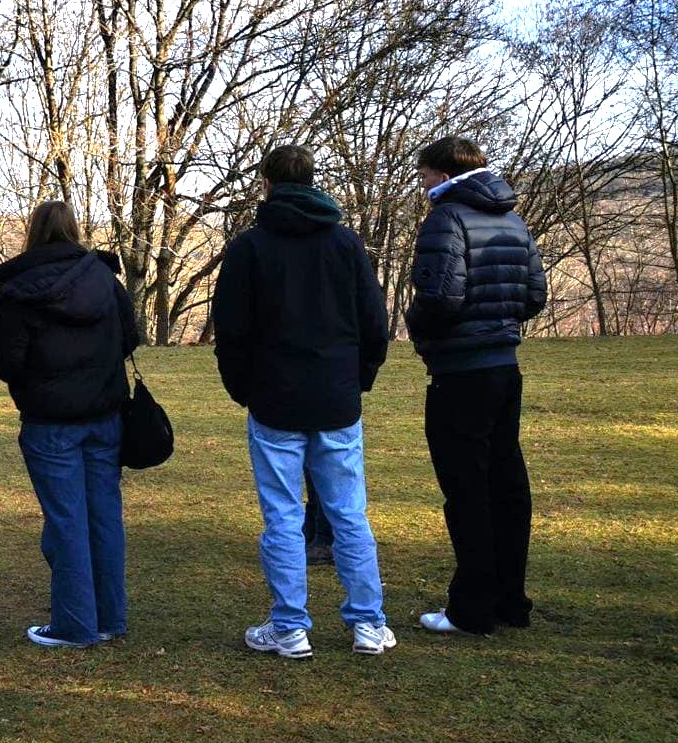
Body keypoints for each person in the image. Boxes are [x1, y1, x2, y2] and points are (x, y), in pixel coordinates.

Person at [212, 145, 393, 658]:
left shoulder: (250, 248)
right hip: (335, 397)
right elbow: (374, 324)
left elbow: (231, 331)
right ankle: (368, 623)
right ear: (312, 180)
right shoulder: (345, 244)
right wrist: (358, 378)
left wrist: (242, 387)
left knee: (283, 516)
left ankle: (290, 626)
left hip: (275, 399)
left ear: (266, 182)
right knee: (349, 513)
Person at [405, 136, 547, 636]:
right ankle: (512, 599)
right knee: (507, 484)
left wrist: (416, 325)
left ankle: (471, 608)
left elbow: (440, 296)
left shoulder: (447, 218)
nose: (421, 184)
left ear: (442, 174)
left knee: (466, 489)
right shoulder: (512, 218)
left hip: (461, 371)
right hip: (505, 366)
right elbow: (535, 294)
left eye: (423, 175)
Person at [0, 200, 138, 648]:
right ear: (74, 229)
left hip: (50, 422)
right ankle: (109, 615)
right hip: (104, 416)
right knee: (104, 516)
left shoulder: (21, 292)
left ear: (33, 232)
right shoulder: (105, 282)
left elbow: (7, 362)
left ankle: (75, 623)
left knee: (67, 520)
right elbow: (129, 338)